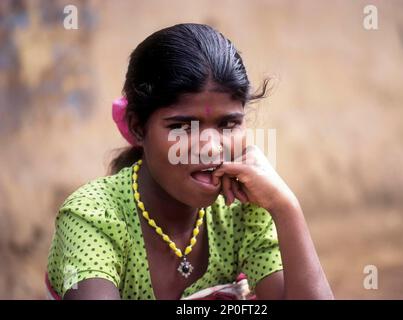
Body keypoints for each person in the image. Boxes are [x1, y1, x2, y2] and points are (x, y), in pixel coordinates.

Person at [46, 23, 333, 300]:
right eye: (182, 126)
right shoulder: (93, 218)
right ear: (136, 126)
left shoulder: (243, 211)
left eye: (228, 124)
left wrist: (286, 207)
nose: (210, 146)